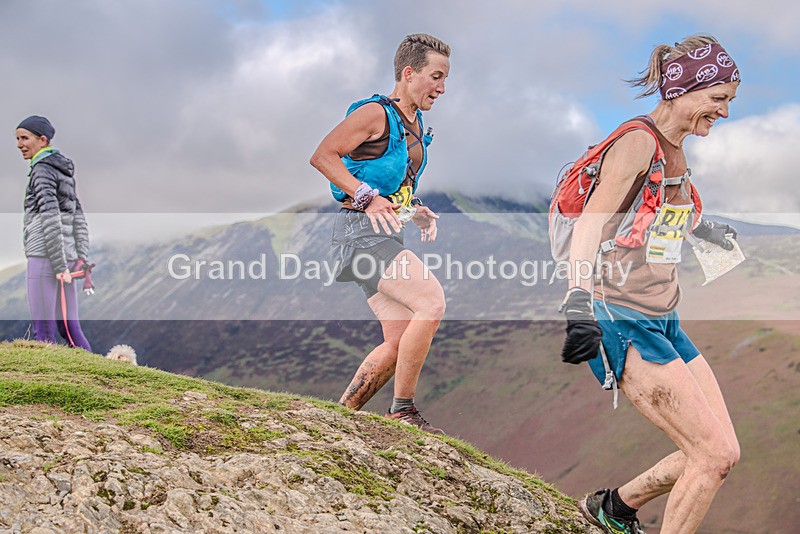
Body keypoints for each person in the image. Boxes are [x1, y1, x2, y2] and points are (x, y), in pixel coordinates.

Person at [558, 36, 741, 533]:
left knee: (723, 448)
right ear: (683, 89)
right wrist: (577, 305)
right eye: (718, 99)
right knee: (712, 455)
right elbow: (591, 225)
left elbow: (657, 214)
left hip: (664, 317)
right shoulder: (638, 141)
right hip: (619, 316)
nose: (724, 112)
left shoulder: (675, 152)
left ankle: (614, 507)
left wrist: (705, 229)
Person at [310, 34, 450, 434]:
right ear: (409, 73)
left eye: (445, 79)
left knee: (399, 338)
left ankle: (337, 420)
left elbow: (388, 185)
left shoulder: (416, 124)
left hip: (384, 233)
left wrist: (413, 210)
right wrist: (369, 197)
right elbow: (322, 155)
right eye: (435, 76)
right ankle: (402, 409)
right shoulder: (375, 112)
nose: (441, 88)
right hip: (359, 231)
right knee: (431, 301)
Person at [17, 115, 92, 352]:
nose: (19, 144)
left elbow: (50, 218)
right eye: (17, 138)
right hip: (66, 257)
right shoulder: (64, 170)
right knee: (70, 328)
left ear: (42, 139)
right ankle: (93, 377)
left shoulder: (41, 170)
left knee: (44, 330)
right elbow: (78, 214)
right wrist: (80, 255)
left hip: (44, 257)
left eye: (25, 138)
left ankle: (45, 384)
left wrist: (58, 266)